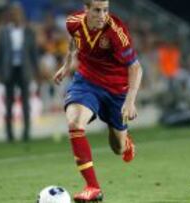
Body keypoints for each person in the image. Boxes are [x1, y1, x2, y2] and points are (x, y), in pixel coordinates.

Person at [53, 0, 142, 202]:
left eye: (106, 10)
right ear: (86, 10)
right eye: (97, 10)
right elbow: (73, 41)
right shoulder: (73, 22)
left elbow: (135, 67)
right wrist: (67, 65)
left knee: (117, 148)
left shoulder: (116, 31)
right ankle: (92, 187)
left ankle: (125, 141)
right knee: (75, 122)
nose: (102, 15)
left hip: (116, 90)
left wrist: (130, 101)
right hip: (87, 83)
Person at [0, 2, 39, 142]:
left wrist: (36, 71)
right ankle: (9, 135)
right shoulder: (3, 32)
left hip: (24, 70)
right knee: (9, 104)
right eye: (13, 13)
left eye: (18, 13)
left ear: (21, 15)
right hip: (9, 71)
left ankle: (26, 133)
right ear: (10, 15)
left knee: (26, 103)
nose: (16, 15)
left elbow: (33, 53)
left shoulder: (28, 31)